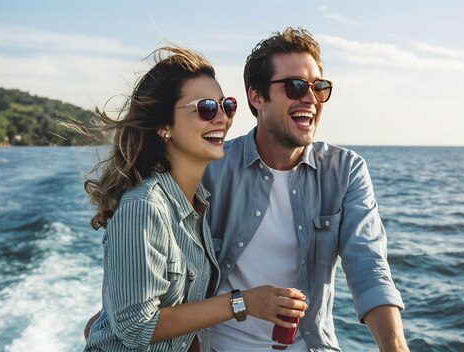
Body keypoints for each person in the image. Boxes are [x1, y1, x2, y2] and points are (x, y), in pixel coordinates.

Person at [82, 46, 307, 352]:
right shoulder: (145, 207)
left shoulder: (196, 205)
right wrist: (243, 303)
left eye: (226, 106)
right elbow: (136, 327)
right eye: (205, 108)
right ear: (163, 126)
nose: (222, 119)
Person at [202, 28, 409, 351]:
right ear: (256, 97)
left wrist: (395, 348)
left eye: (319, 87)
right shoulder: (211, 169)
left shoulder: (346, 171)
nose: (310, 98)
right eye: (295, 86)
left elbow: (368, 267)